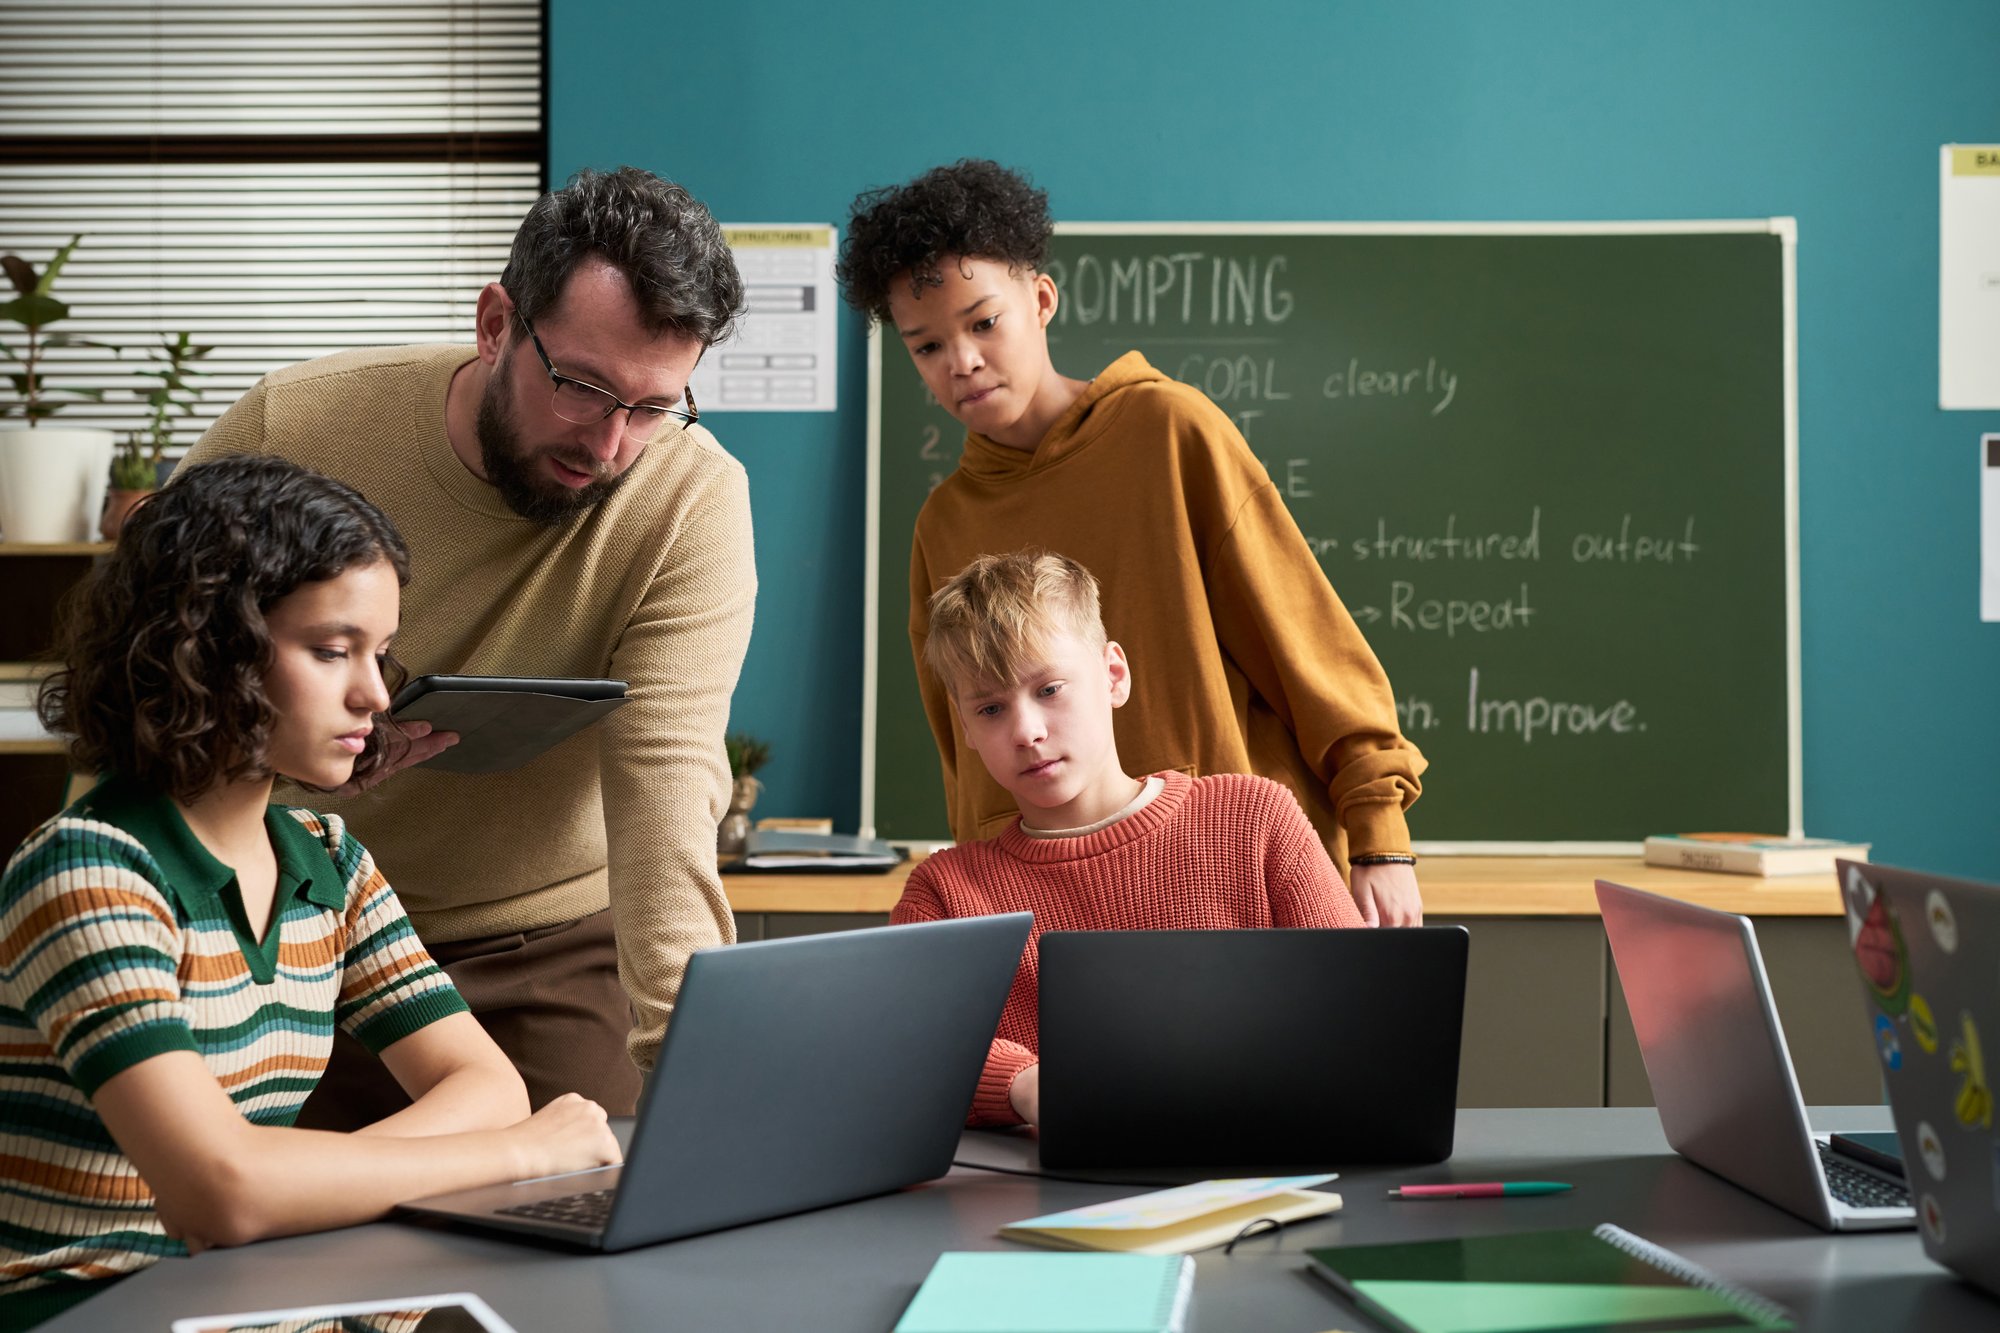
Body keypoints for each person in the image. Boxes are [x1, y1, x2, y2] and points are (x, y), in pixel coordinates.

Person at [179, 166, 756, 1127]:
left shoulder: (690, 498)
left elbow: (667, 784)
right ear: (497, 324)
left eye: (654, 407)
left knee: (589, 1216)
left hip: (544, 942)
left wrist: (702, 1083)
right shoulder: (298, 426)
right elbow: (151, 670)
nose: (610, 443)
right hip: (285, 916)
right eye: (581, 385)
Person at [0, 457, 622, 1330]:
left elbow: (485, 1086)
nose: (375, 693)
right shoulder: (88, 871)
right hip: (103, 1309)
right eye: (332, 651)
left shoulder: (328, 861)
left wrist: (288, 1187)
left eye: (378, 653)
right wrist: (515, 1157)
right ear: (208, 647)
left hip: (263, 1291)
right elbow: (222, 1192)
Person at [838, 159, 1428, 927]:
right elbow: (968, 755)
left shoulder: (1169, 433)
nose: (963, 362)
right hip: (1050, 923)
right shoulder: (944, 523)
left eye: (984, 322)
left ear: (1041, 300)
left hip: (1225, 894)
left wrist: (1381, 838)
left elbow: (1307, 647)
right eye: (927, 346)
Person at [888, 550, 1364, 1128]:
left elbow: (1360, 1008)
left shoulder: (1255, 818)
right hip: (1039, 1195)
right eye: (990, 708)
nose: (1027, 732)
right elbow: (902, 1045)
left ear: (1113, 675)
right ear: (964, 727)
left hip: (1256, 1175)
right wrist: (1024, 1084)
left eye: (1050, 689)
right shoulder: (945, 892)